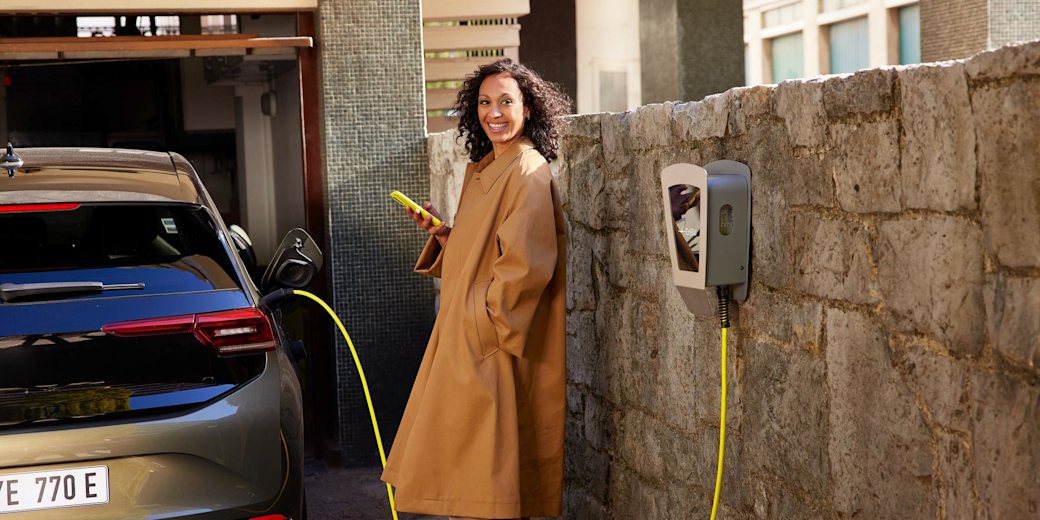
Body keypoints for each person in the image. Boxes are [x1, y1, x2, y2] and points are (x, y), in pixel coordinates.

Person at [380, 59, 572, 520]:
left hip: (491, 345)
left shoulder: (527, 170)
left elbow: (526, 266)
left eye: (506, 101)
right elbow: (486, 253)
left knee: (487, 479)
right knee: (470, 473)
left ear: (528, 108)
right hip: (471, 338)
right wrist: (446, 234)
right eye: (485, 102)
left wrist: (483, 323)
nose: (494, 112)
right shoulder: (492, 167)